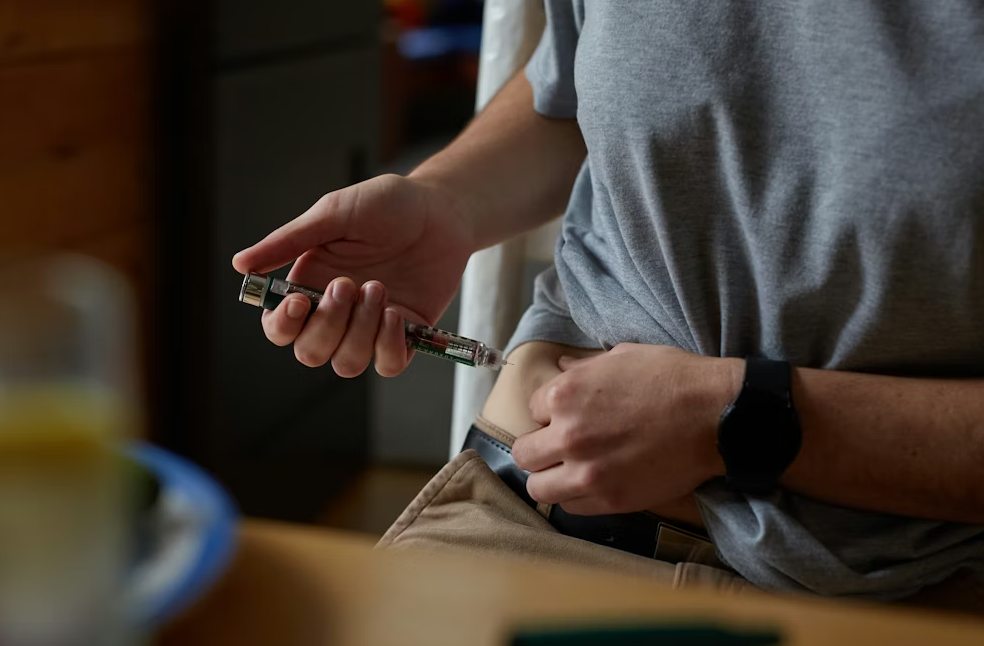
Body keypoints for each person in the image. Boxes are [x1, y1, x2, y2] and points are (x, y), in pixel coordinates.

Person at [233, 1, 984, 606]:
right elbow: (567, 93)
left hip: (907, 590)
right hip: (530, 527)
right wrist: (446, 202)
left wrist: (732, 419)